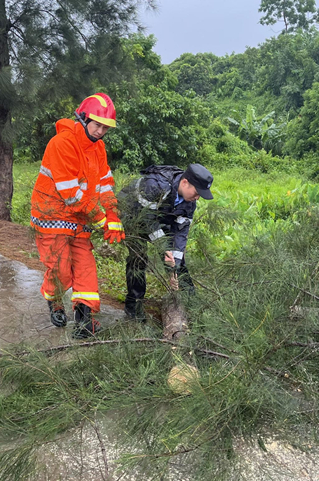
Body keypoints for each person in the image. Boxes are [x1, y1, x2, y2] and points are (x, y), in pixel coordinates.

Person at [30, 93, 125, 338]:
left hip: (81, 219)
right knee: (60, 270)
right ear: (83, 118)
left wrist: (112, 215)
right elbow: (70, 194)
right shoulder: (61, 144)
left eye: (106, 127)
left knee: (86, 268)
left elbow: (105, 184)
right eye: (98, 125)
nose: (101, 131)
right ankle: (54, 300)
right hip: (52, 217)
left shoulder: (98, 148)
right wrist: (102, 220)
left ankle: (84, 322)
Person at [118, 163, 214, 321]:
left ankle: (194, 306)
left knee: (177, 261)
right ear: (185, 183)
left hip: (160, 215)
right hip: (133, 214)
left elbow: (180, 233)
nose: (197, 198)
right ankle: (133, 307)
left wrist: (173, 265)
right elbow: (147, 221)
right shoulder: (155, 185)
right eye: (197, 192)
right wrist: (163, 247)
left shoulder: (190, 202)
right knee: (138, 258)